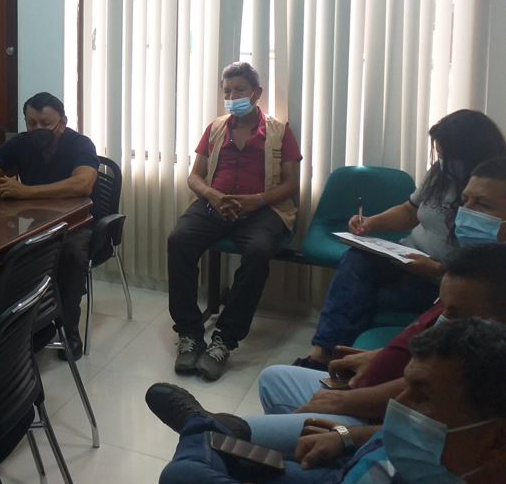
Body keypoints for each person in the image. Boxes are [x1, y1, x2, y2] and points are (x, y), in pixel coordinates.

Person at [147, 318, 506, 484]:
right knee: (228, 451)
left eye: (422, 395)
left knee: (184, 473)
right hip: (348, 471)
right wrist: (346, 437)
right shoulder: (445, 447)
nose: (399, 402)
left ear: (496, 437)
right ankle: (212, 429)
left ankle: (201, 425)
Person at [296, 110, 506, 369]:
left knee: (359, 296)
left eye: (449, 157)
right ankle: (324, 354)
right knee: (356, 258)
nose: (443, 162)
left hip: (439, 279)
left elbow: (486, 276)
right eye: (440, 156)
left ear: (471, 151)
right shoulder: (440, 175)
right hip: (406, 259)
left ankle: (346, 361)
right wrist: (370, 222)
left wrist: (436, 269)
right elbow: (409, 212)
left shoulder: (493, 191)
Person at [251, 241, 506, 453]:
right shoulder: (465, 302)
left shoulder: (486, 360)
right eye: (443, 307)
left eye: (456, 314)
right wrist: (379, 357)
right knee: (273, 378)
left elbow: (414, 419)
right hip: (368, 402)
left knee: (234, 436)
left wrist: (346, 424)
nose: (445, 318)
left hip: (373, 420)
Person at [167, 62, 302, 380]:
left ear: (257, 93)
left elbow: (290, 184)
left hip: (262, 210)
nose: (232, 97)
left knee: (258, 252)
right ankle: (189, 333)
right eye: (227, 91)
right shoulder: (215, 128)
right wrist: (212, 195)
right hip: (215, 204)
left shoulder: (279, 131)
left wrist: (257, 200)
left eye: (240, 90)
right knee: (179, 240)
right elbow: (194, 177)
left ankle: (224, 340)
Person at [0, 92, 99, 360]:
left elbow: (83, 184)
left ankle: (69, 332)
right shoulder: (22, 143)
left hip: (75, 224)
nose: (37, 129)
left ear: (62, 123)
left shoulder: (80, 144)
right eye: (31, 123)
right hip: (32, 222)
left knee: (71, 256)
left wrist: (25, 192)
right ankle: (2, 330)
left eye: (45, 123)